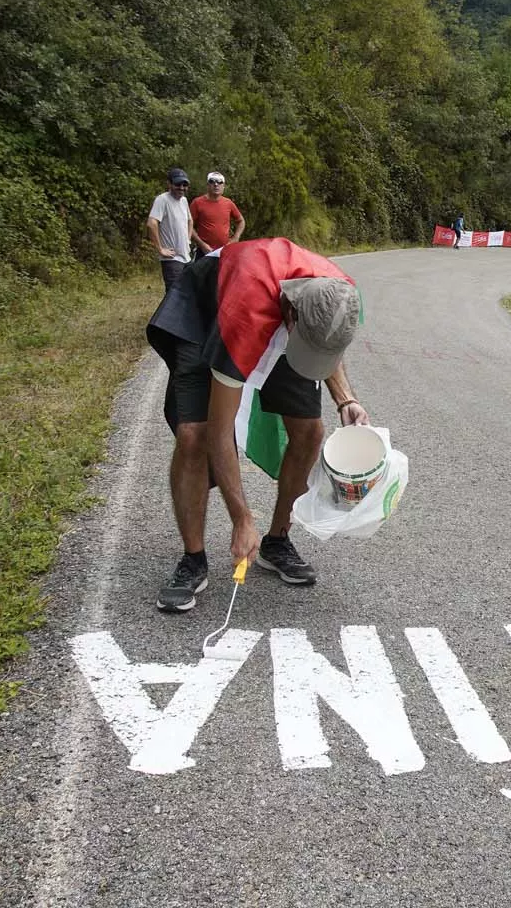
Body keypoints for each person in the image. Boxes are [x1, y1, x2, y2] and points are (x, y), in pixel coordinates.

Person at [145, 237, 371, 612]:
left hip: (283, 312)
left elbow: (328, 342)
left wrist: (346, 399)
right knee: (194, 434)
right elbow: (221, 430)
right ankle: (193, 559)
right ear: (291, 315)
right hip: (207, 309)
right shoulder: (247, 311)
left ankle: (277, 541)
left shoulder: (337, 289)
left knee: (310, 430)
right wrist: (241, 518)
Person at [147, 167, 193, 293]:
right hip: (172, 260)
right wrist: (160, 249)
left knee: (187, 293)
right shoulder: (162, 200)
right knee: (174, 296)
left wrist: (188, 240)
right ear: (169, 184)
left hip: (186, 257)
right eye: (178, 184)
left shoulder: (184, 200)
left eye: (185, 184)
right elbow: (152, 223)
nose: (181, 188)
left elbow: (190, 220)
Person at [189, 171, 245, 260]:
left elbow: (241, 221)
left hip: (224, 250)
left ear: (223, 186)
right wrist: (202, 244)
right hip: (204, 251)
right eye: (212, 181)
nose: (216, 184)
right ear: (207, 185)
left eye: (219, 182)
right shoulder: (197, 203)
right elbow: (188, 225)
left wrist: (236, 238)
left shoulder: (228, 203)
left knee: (223, 274)